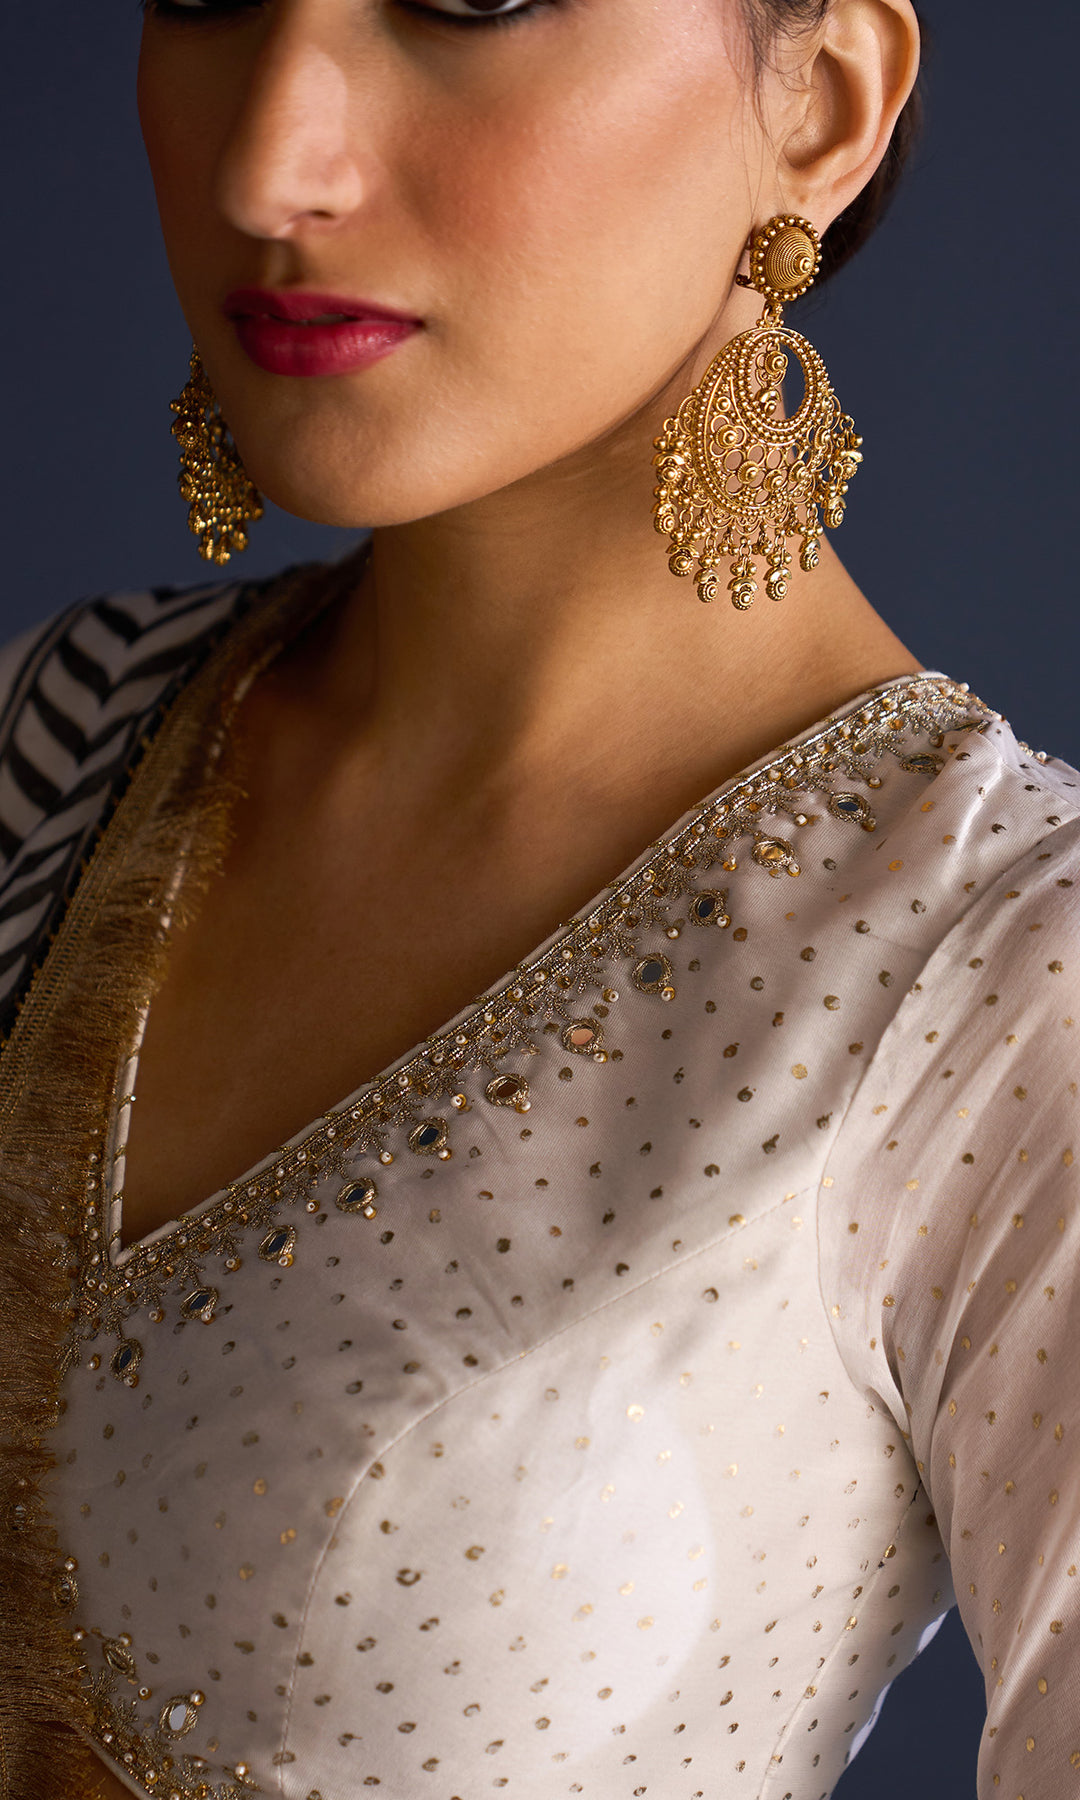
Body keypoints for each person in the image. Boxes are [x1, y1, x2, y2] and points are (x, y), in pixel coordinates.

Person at [0, 1, 1076, 1797]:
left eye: (470, 0)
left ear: (822, 102)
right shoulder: (54, 730)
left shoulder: (997, 971)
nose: (267, 166)